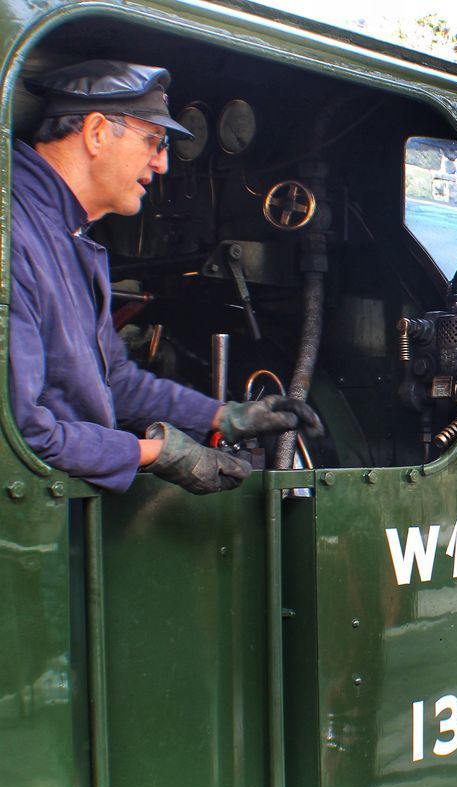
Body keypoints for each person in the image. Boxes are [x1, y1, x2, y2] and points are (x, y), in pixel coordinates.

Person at [9, 60, 320, 495]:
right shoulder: (15, 235)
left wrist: (224, 416)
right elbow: (22, 436)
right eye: (153, 141)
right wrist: (157, 452)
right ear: (97, 132)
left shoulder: (64, 235)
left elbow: (115, 380)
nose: (162, 164)